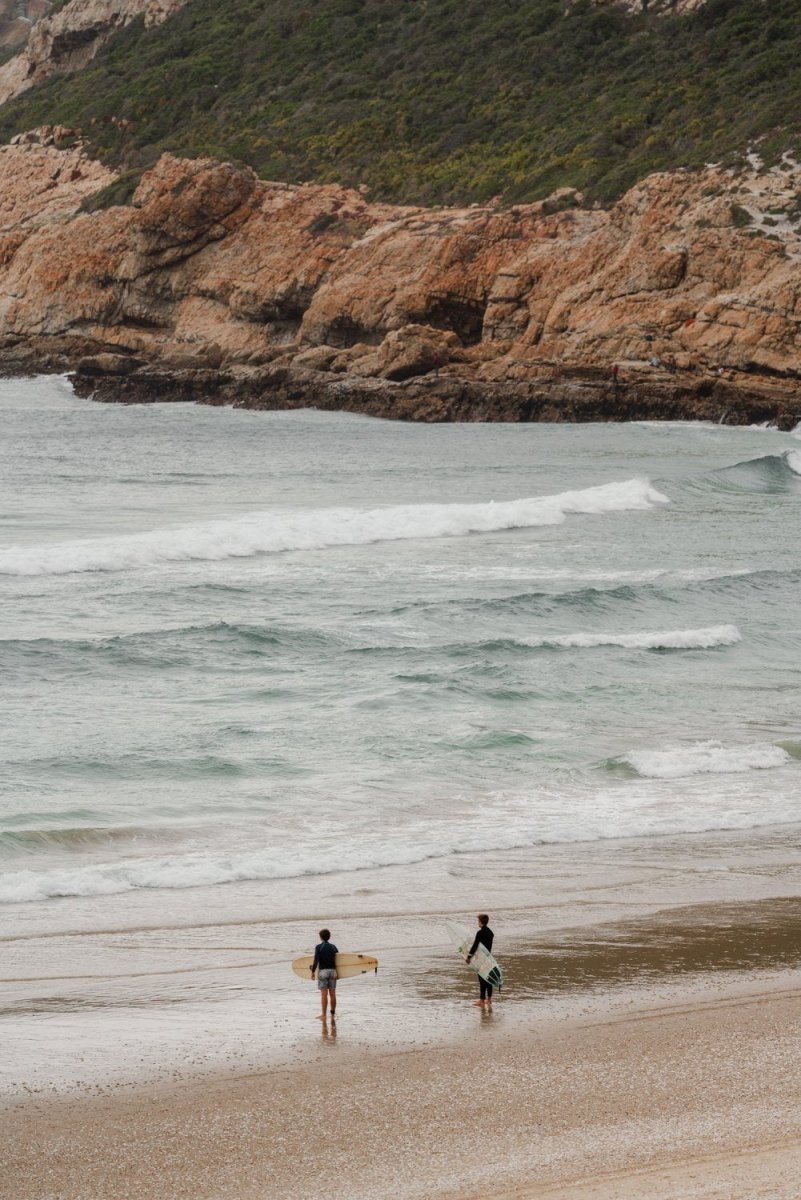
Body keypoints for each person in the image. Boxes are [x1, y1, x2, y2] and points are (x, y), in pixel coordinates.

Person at [466, 913, 494, 1007]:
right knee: (488, 978)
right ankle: (489, 999)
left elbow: (475, 946)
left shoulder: (480, 933)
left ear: (481, 922)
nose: (477, 923)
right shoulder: (491, 933)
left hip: (481, 958)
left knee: (482, 978)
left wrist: (469, 957)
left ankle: (482, 1000)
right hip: (489, 958)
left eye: (478, 921)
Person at [310, 927, 338, 1020]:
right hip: (333, 972)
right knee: (333, 993)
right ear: (329, 937)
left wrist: (313, 972)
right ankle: (333, 1013)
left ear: (320, 937)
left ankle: (324, 1015)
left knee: (324, 994)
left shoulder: (319, 947)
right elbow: (339, 960)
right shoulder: (333, 947)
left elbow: (316, 961)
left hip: (323, 972)